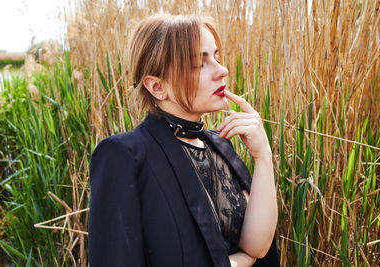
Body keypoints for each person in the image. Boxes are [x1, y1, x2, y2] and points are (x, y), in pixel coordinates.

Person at [88, 14, 279, 267]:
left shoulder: (221, 144)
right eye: (199, 64)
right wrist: (237, 263)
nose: (222, 70)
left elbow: (257, 247)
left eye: (217, 57)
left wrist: (263, 156)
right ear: (157, 87)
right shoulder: (125, 155)